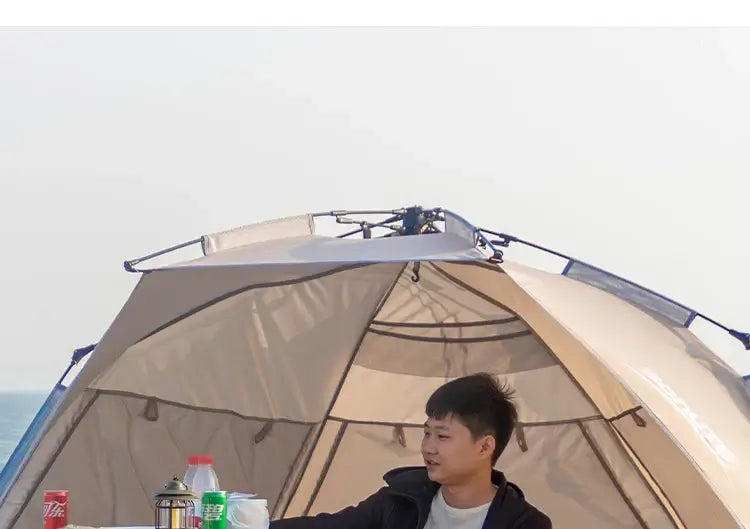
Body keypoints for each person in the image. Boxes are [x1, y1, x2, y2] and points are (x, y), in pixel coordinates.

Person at [271, 373, 551, 529]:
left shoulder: (525, 524)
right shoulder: (401, 498)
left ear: (485, 446)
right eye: (427, 433)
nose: (428, 447)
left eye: (442, 436)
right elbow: (329, 528)